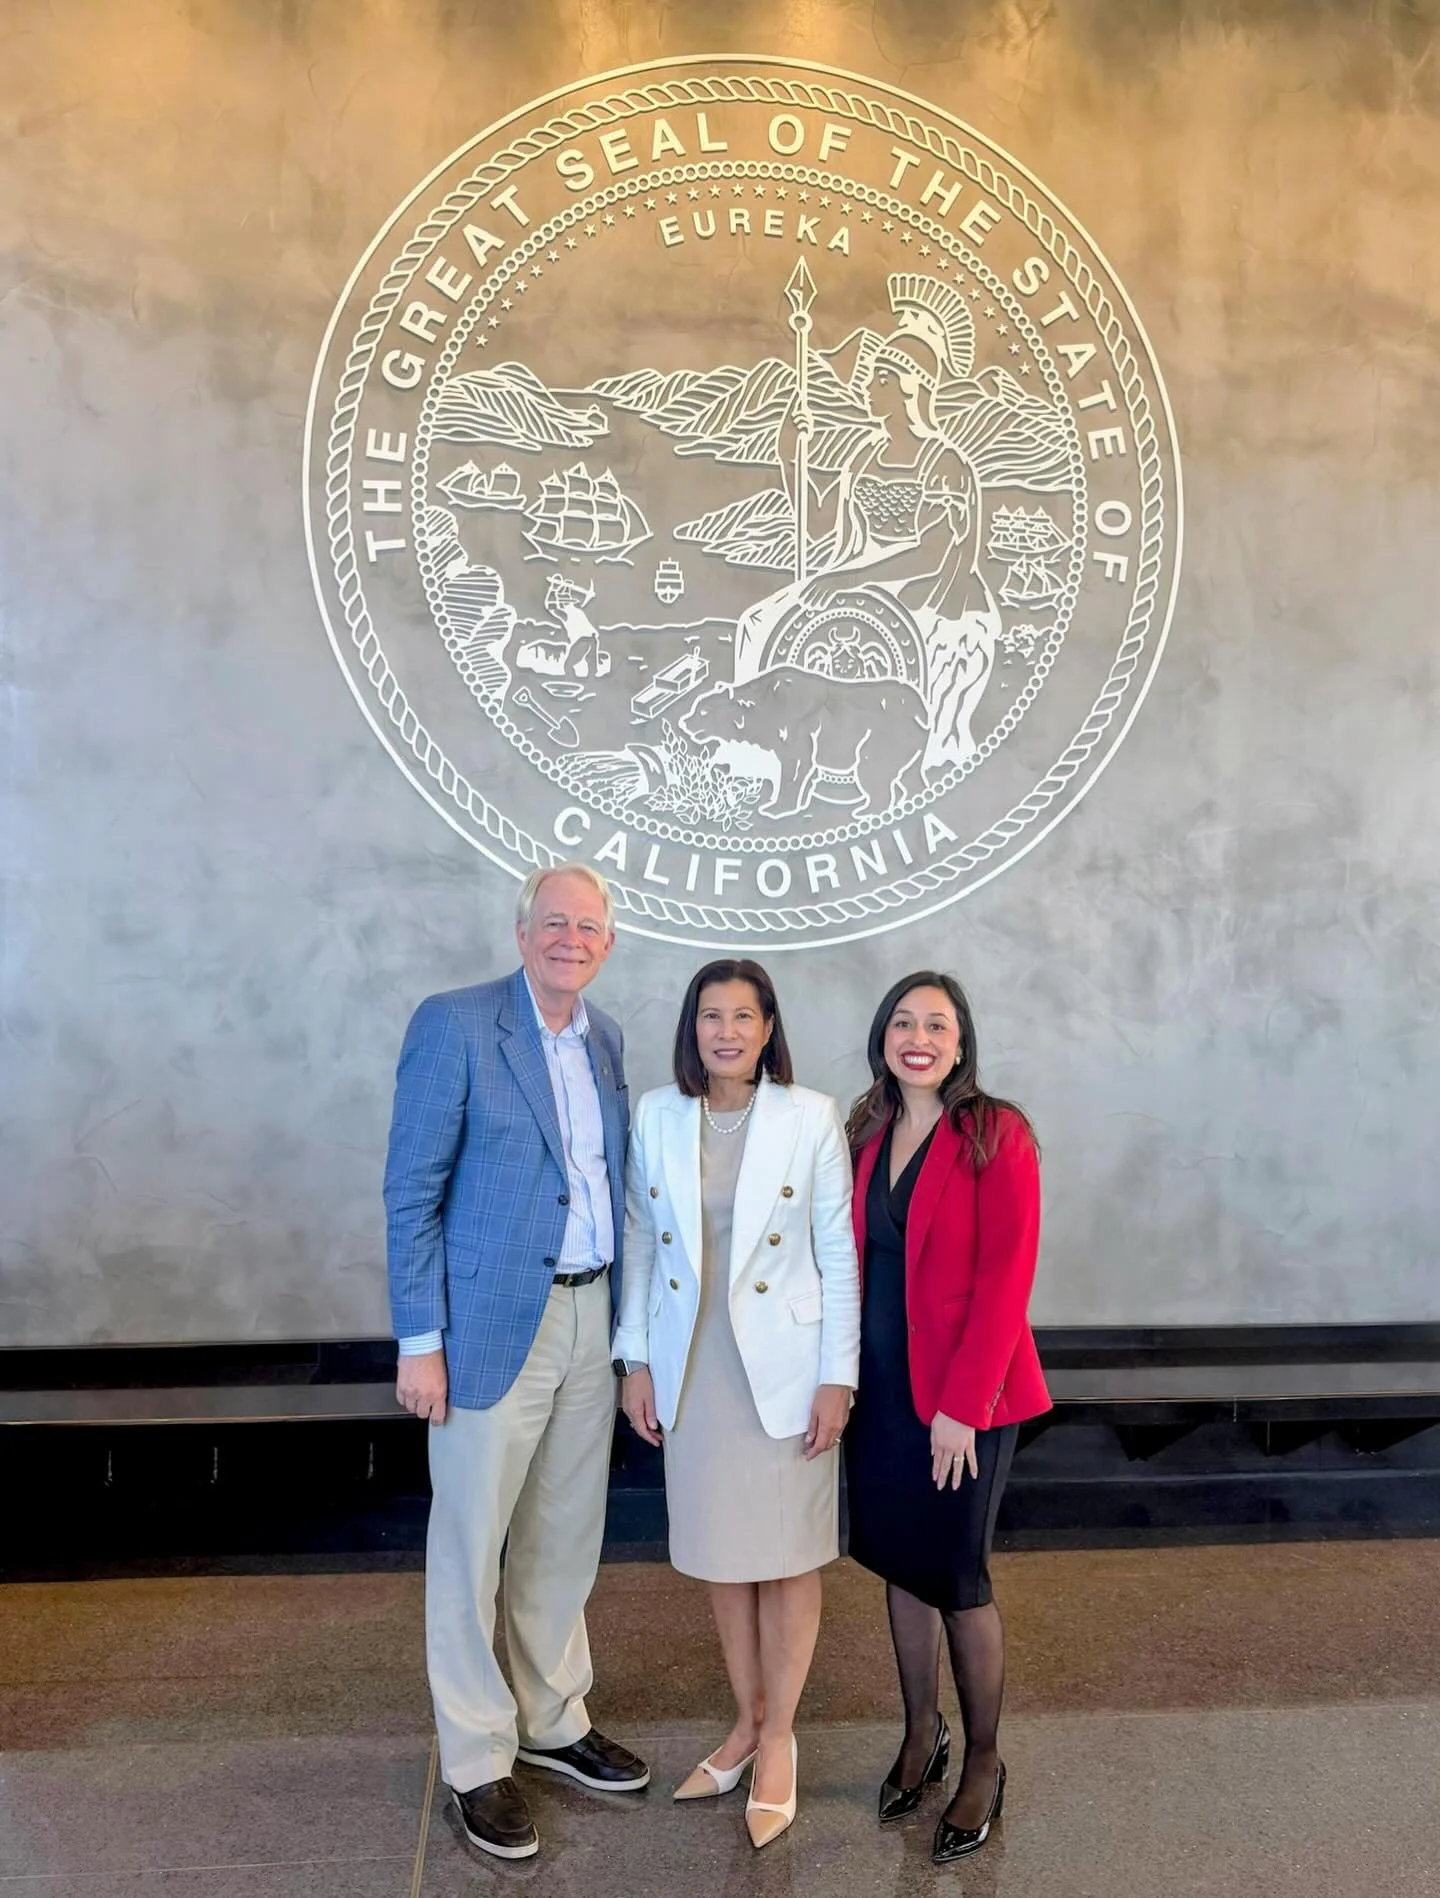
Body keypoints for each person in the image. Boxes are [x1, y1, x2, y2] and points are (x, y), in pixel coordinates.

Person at [384, 863, 648, 1862]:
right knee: (470, 1548)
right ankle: (477, 1756)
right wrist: (421, 1340)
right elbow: (412, 1187)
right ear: (520, 930)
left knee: (564, 1535)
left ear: (607, 944)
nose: (569, 937)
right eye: (553, 921)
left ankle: (553, 1718)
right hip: (489, 1328)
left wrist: (629, 1338)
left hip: (590, 1316)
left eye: (588, 925)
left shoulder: (608, 1039)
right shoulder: (454, 1025)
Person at [612, 959, 860, 1849]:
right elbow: (641, 1239)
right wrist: (633, 1359)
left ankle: (782, 1735)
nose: (726, 1031)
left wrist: (840, 1375)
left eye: (743, 1017)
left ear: (767, 1029)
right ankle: (745, 1723)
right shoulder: (657, 1114)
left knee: (789, 1557)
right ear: (693, 1029)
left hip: (788, 1365)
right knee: (724, 1557)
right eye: (711, 1016)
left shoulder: (810, 1115)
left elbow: (837, 1250)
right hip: (694, 1365)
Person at [842, 971, 1050, 1867]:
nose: (917, 1037)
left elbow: (1008, 1278)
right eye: (902, 1022)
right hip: (882, 1392)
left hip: (967, 1399)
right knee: (900, 1561)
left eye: (936, 1024)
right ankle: (920, 1734)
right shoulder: (867, 1129)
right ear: (883, 1038)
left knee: (958, 1578)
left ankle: (984, 1761)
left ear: (962, 1042)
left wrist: (961, 1407)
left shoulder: (993, 1132)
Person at [732, 273, 999, 770]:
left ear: (912, 385)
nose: (866, 385)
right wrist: (790, 456)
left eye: (880, 377)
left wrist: (847, 578)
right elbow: (816, 527)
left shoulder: (944, 462)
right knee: (756, 623)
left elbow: (936, 553)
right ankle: (764, 751)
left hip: (924, 588)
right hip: (853, 574)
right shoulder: (864, 453)